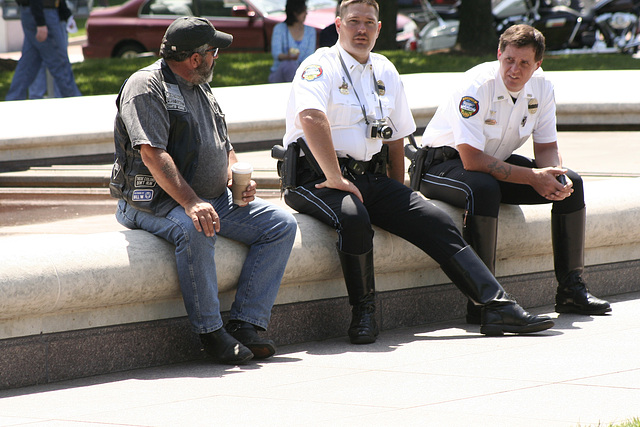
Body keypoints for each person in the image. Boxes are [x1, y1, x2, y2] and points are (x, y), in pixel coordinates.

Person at [281, 0, 554, 344]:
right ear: (338, 25)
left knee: (435, 219)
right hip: (315, 178)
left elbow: (396, 138)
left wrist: (398, 193)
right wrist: (335, 177)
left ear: (380, 28)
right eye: (353, 22)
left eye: (369, 22)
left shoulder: (385, 70)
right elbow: (311, 117)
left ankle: (495, 305)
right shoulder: (320, 65)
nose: (361, 29)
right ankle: (364, 313)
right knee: (353, 217)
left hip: (369, 176)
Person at [110, 17, 297, 365]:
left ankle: (246, 323)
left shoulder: (199, 84)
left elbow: (224, 144)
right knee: (195, 230)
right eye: (213, 52)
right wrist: (192, 202)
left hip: (212, 198)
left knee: (280, 226)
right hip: (153, 202)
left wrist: (234, 174)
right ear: (195, 58)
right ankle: (211, 334)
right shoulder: (146, 86)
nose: (217, 58)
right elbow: (152, 154)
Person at [418, 24, 611, 325]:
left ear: (538, 64)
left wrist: (554, 174)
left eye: (524, 63)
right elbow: (471, 159)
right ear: (499, 54)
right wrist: (533, 177)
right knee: (483, 188)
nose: (514, 69)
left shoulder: (543, 88)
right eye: (509, 60)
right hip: (440, 165)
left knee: (572, 183)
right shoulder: (476, 86)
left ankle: (571, 290)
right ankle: (484, 304)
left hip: (492, 161)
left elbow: (546, 147)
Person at [6, 0, 82, 101]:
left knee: (28, 64)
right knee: (60, 63)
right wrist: (40, 22)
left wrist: (66, 13)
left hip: (38, 12)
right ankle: (76, 103)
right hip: (43, 13)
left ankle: (12, 102)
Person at [29, 0, 77, 99]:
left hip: (55, 14)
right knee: (58, 60)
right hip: (47, 15)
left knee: (41, 60)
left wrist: (67, 15)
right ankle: (69, 95)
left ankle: (35, 95)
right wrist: (41, 23)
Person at [268, 0, 316, 83]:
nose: (306, 13)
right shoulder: (280, 29)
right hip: (280, 74)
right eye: (303, 11)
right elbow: (276, 54)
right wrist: (288, 57)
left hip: (304, 73)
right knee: (289, 65)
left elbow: (310, 56)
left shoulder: (311, 31)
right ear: (295, 13)